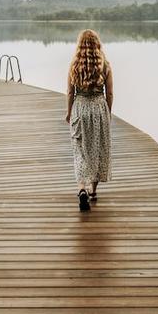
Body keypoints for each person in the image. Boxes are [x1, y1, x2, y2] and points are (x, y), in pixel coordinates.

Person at [65, 29, 113, 212]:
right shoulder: (105, 65)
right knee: (97, 148)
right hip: (99, 108)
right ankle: (93, 191)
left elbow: (70, 92)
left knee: (80, 149)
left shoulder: (74, 65)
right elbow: (109, 93)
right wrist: (108, 112)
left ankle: (81, 188)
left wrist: (69, 113)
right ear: (97, 44)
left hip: (80, 107)